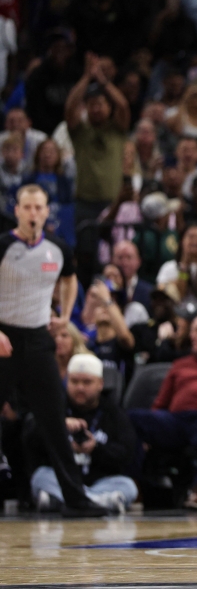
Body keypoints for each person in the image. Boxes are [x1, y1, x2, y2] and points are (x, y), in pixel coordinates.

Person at [0, 185, 105, 516]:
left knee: (54, 420)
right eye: (27, 207)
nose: (33, 213)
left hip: (38, 340)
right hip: (4, 339)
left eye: (39, 207)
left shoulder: (58, 248)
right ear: (17, 210)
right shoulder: (3, 245)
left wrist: (64, 315)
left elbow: (70, 279)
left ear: (47, 212)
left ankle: (76, 499)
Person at [128, 315, 197, 511]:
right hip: (176, 420)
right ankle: (133, 489)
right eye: (192, 330)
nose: (192, 335)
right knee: (134, 418)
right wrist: (151, 426)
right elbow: (161, 402)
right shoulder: (181, 364)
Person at [29, 354, 138, 513]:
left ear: (100, 384)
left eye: (87, 382)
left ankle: (64, 501)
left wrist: (96, 448)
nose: (80, 387)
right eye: (74, 381)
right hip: (62, 480)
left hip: (99, 482)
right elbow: (30, 441)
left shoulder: (114, 412)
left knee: (128, 485)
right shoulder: (55, 408)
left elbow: (127, 454)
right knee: (40, 476)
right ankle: (97, 502)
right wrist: (59, 426)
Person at [67, 54, 131, 285]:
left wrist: (102, 80)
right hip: (85, 204)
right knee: (85, 256)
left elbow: (123, 105)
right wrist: (86, 77)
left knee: (114, 257)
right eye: (92, 105)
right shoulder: (80, 132)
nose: (96, 109)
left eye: (100, 104)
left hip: (113, 204)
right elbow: (70, 106)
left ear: (107, 107)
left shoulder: (117, 129)